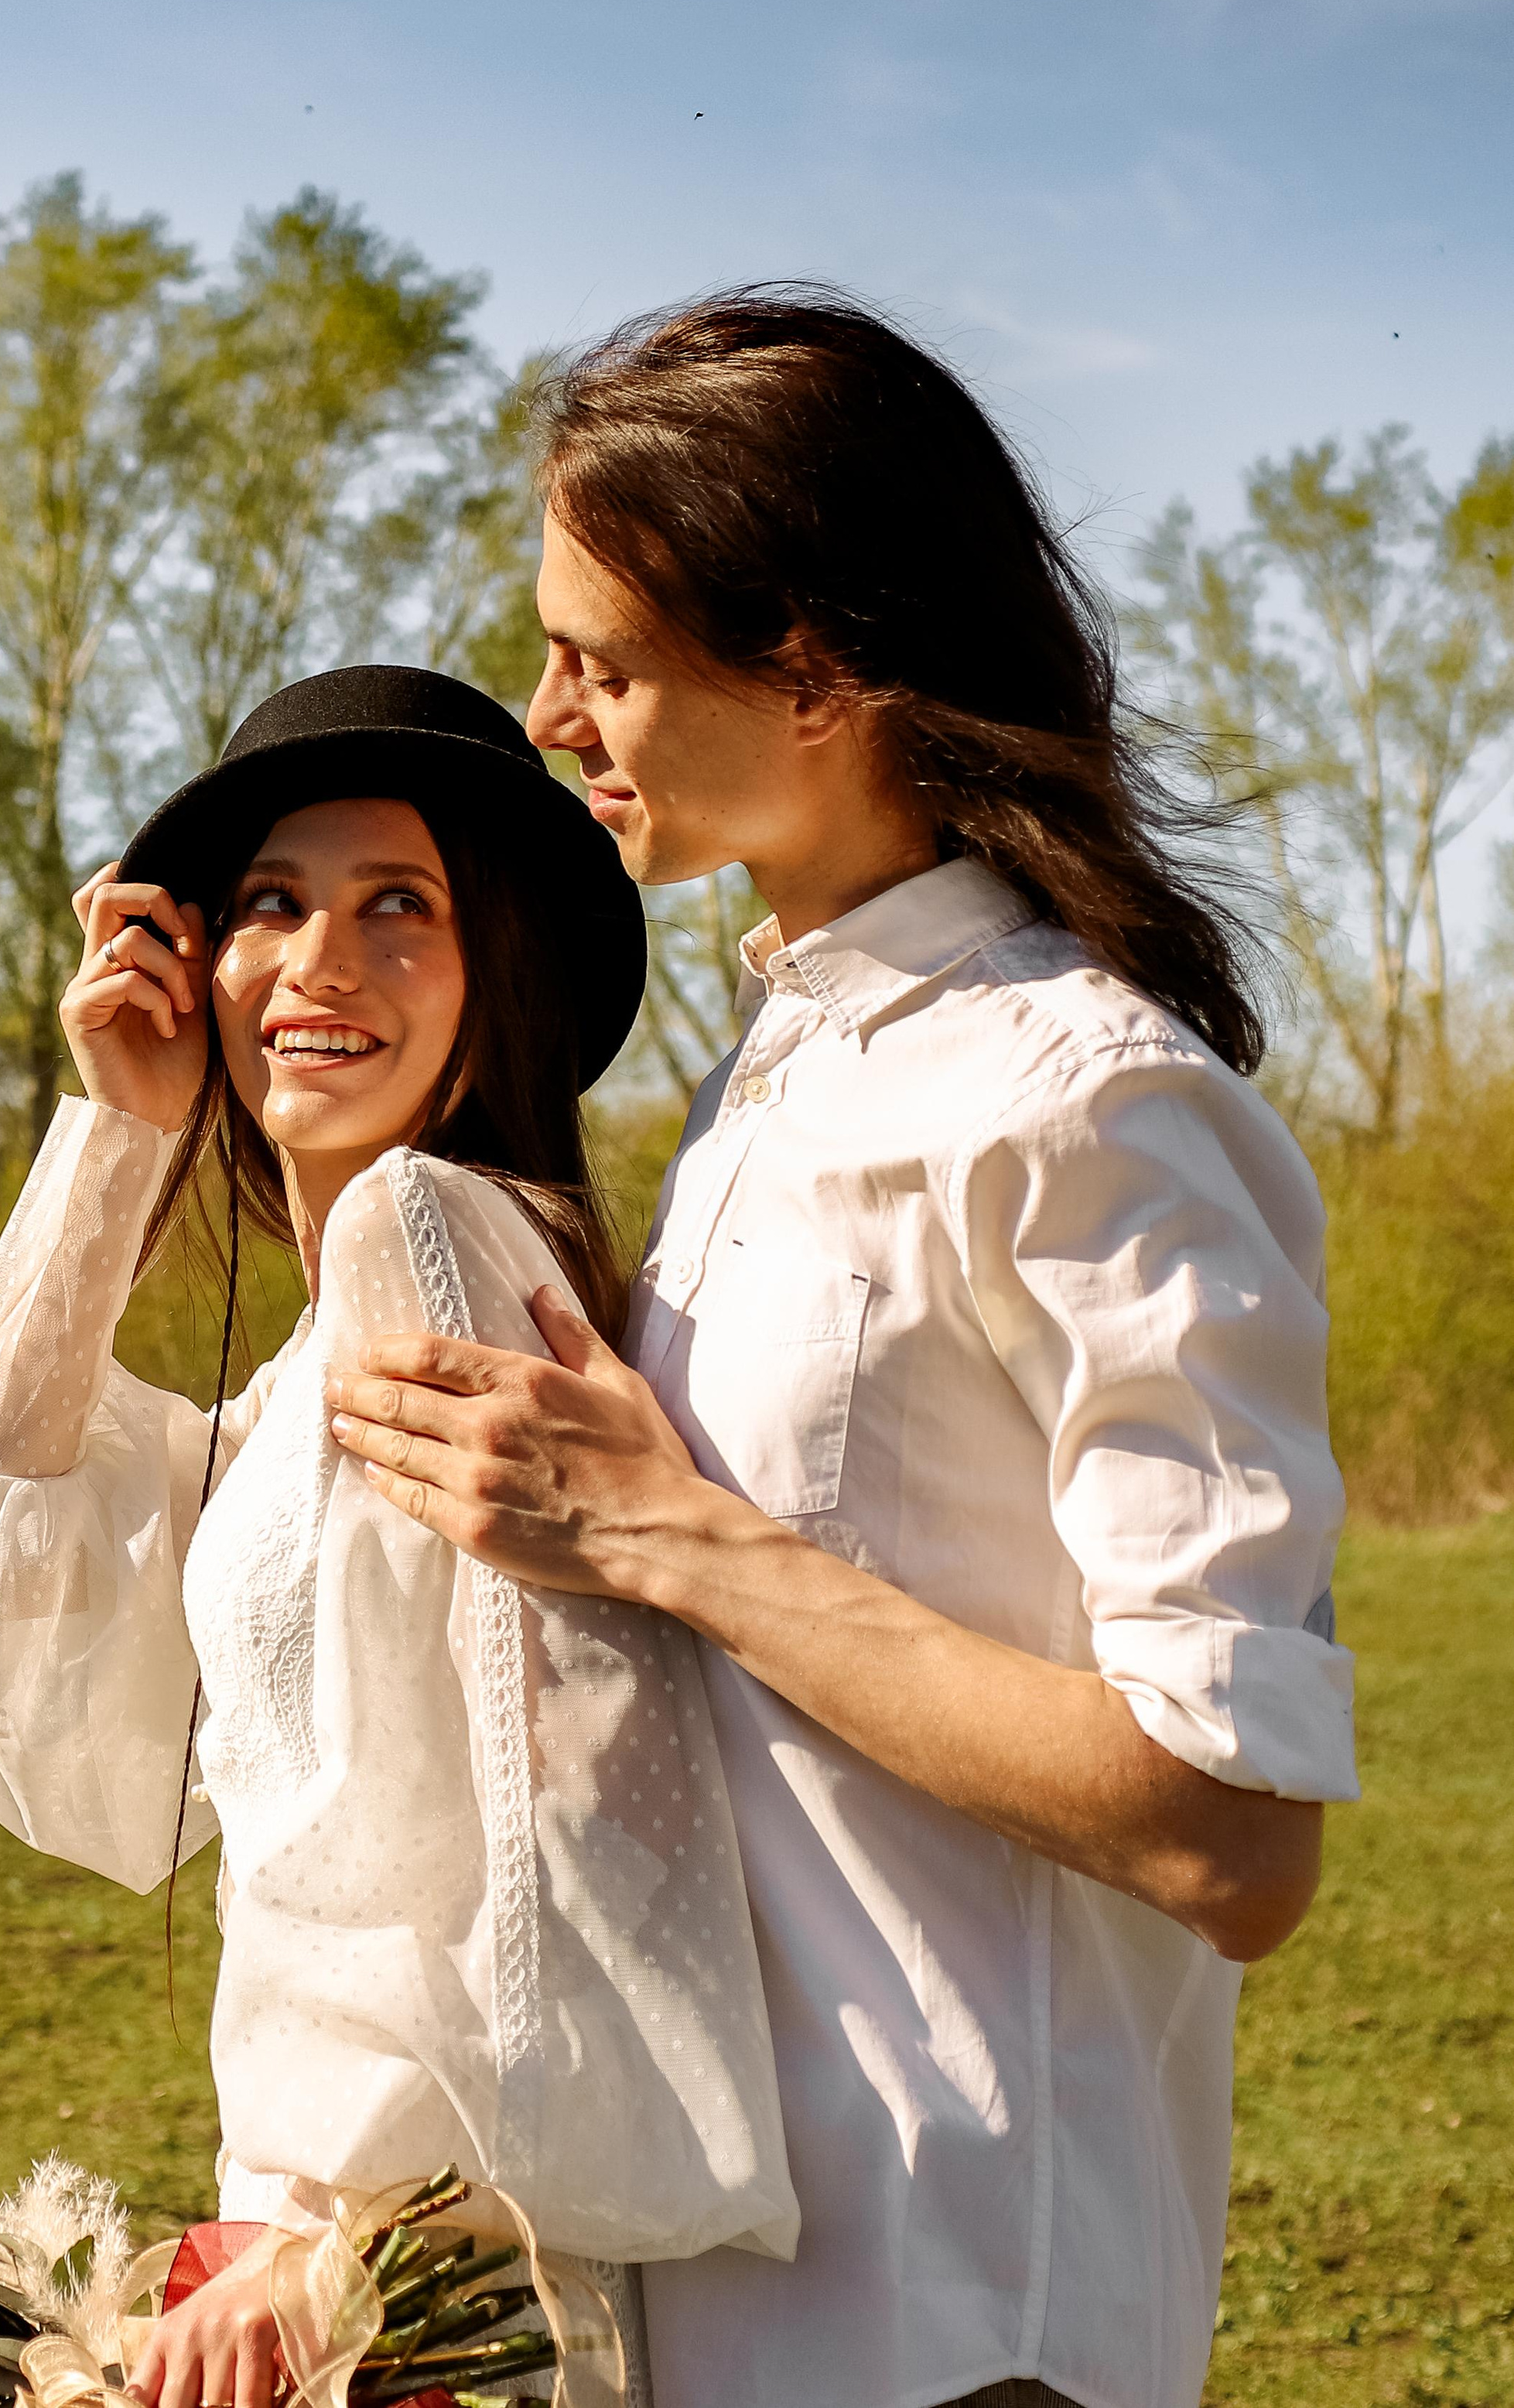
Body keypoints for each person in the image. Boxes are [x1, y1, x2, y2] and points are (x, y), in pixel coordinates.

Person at [326, 293, 1360, 2408]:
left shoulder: (1082, 1093)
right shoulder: (764, 1080)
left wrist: (677, 1540)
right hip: (697, 2286)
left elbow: (1232, 1834)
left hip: (960, 2309)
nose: (546, 713)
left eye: (599, 659)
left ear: (810, 665)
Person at [0, 665, 796, 2408]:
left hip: (423, 2270)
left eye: (396, 908)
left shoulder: (425, 1239)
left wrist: (357, 2242)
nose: (317, 964)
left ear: (491, 966)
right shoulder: (313, 1352)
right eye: (270, 905)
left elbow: (565, 1810)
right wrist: (117, 1133)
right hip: (310, 2250)